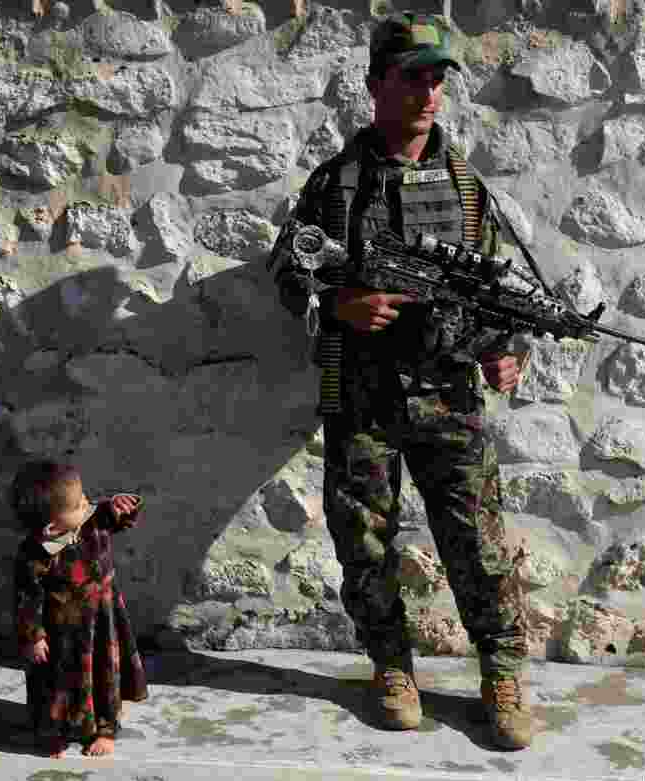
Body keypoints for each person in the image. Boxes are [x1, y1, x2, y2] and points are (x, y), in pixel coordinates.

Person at [269, 13, 531, 750]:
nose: (429, 90)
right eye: (412, 75)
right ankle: (391, 664)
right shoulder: (339, 184)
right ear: (376, 82)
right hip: (364, 396)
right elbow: (290, 267)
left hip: (450, 396)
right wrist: (338, 299)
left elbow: (495, 290)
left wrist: (506, 351)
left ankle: (502, 670)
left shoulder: (468, 187)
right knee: (366, 541)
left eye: (438, 76)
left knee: (476, 543)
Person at [12, 460, 148, 758]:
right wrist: (34, 635)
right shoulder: (33, 555)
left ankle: (105, 728)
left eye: (85, 497)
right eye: (79, 503)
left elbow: (116, 516)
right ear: (51, 526)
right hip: (60, 631)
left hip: (101, 621)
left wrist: (123, 505)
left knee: (104, 676)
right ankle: (54, 733)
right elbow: (26, 598)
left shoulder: (93, 520)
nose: (88, 503)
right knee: (53, 684)